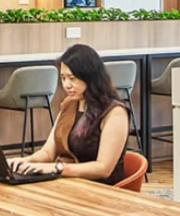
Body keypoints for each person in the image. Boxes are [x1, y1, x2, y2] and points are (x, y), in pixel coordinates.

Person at [10, 44, 129, 183]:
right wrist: (25, 161)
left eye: (72, 78)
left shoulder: (114, 112)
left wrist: (58, 168)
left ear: (90, 77)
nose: (66, 85)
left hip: (98, 187)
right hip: (68, 181)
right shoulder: (69, 104)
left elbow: (103, 168)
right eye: (63, 78)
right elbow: (48, 152)